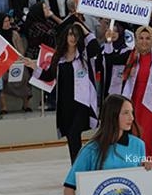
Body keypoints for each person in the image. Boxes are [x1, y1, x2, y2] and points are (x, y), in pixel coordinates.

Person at [27, 21, 101, 162]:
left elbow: (96, 47)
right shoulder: (58, 57)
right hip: (66, 104)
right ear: (65, 37)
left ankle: (79, 167)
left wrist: (83, 28)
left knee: (74, 133)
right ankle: (77, 168)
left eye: (76, 35)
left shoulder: (85, 55)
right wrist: (33, 67)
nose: (73, 38)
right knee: (71, 137)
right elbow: (49, 76)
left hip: (82, 103)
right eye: (70, 34)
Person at [104, 25, 152, 156]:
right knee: (132, 131)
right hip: (132, 101)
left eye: (148, 38)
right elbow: (111, 59)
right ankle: (132, 160)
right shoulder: (130, 55)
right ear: (136, 40)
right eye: (141, 38)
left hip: (150, 103)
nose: (144, 41)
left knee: (148, 133)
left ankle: (149, 158)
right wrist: (109, 41)